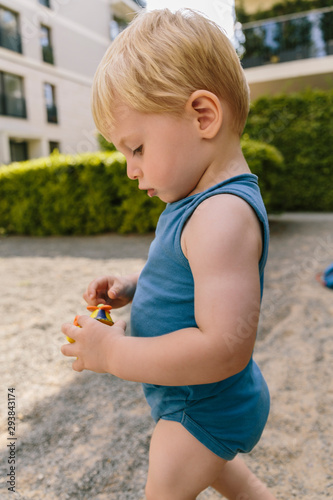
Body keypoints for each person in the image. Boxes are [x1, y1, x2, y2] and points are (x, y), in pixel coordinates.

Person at [61, 9, 277, 500]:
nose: (131, 170)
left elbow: (225, 347)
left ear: (203, 116)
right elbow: (185, 274)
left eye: (136, 148)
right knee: (230, 478)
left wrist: (112, 352)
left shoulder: (221, 214)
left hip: (200, 407)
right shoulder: (195, 201)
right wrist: (134, 287)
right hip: (197, 399)